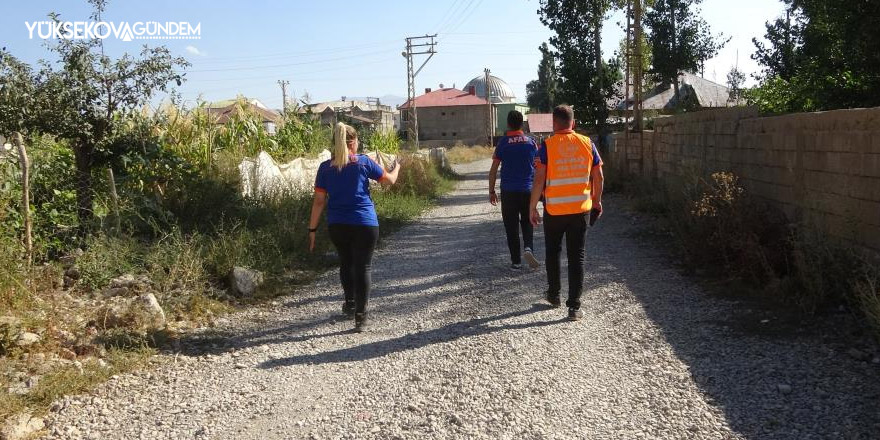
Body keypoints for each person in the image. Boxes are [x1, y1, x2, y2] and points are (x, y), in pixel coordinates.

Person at [308, 122, 400, 332]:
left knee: (346, 263)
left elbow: (319, 202)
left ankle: (349, 304)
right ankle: (361, 316)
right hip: (364, 223)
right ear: (354, 142)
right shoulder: (364, 162)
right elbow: (389, 181)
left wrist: (311, 230)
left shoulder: (325, 168)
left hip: (337, 225)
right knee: (363, 267)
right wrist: (397, 168)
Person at [529, 105, 604, 321]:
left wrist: (532, 206)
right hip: (580, 210)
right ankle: (574, 308)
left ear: (554, 123)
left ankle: (553, 295)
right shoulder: (588, 143)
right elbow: (598, 176)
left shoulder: (547, 146)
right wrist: (597, 201)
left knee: (553, 253)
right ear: (574, 122)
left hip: (554, 210)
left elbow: (539, 179)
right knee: (576, 257)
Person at [489, 110, 541, 270]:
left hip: (509, 191)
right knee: (528, 222)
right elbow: (539, 168)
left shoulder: (503, 143)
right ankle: (528, 248)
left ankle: (516, 262)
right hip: (528, 190)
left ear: (508, 124)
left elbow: (493, 169)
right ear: (522, 124)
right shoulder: (531, 142)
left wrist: (491, 191)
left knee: (511, 227)